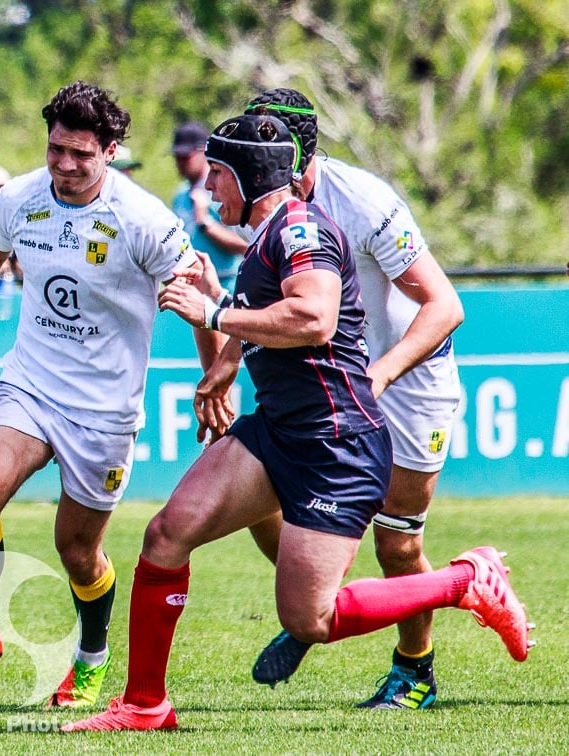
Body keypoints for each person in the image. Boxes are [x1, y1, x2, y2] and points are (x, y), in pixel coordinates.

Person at [62, 113, 531, 732]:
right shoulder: (266, 232)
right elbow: (259, 312)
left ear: (252, 178)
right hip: (279, 430)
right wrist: (221, 338)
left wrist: (216, 314)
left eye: (218, 178)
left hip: (333, 443)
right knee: (166, 536)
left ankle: (466, 579)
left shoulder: (299, 228)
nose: (209, 193)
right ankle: (146, 704)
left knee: (310, 619)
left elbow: (314, 320)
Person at [0, 80, 196, 709]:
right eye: (55, 150)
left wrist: (215, 373)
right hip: (32, 381)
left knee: (77, 551)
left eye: (81, 154)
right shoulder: (20, 196)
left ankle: (92, 660)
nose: (65, 166)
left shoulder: (142, 218)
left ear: (111, 150)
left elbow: (192, 281)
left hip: (104, 409)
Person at [241, 88, 467, 710]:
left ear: (293, 152)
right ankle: (313, 606)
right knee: (260, 503)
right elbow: (266, 302)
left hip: (407, 382)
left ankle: (414, 670)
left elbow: (445, 306)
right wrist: (225, 366)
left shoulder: (362, 201)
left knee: (396, 543)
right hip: (328, 385)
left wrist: (382, 374)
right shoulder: (266, 208)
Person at [170, 121, 247, 293]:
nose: (180, 163)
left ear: (203, 152)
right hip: (192, 285)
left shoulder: (223, 191)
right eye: (177, 157)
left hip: (226, 282)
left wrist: (205, 222)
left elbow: (244, 245)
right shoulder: (180, 195)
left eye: (185, 157)